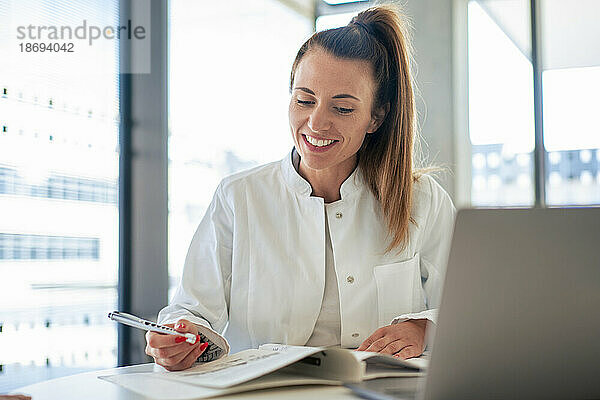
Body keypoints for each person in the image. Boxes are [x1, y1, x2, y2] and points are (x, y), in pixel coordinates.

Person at [145, 3, 455, 371]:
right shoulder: (238, 197)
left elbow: (471, 307)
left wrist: (425, 327)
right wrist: (182, 337)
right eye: (304, 100)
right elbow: (192, 310)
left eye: (342, 109)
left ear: (377, 116)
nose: (316, 122)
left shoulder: (423, 200)